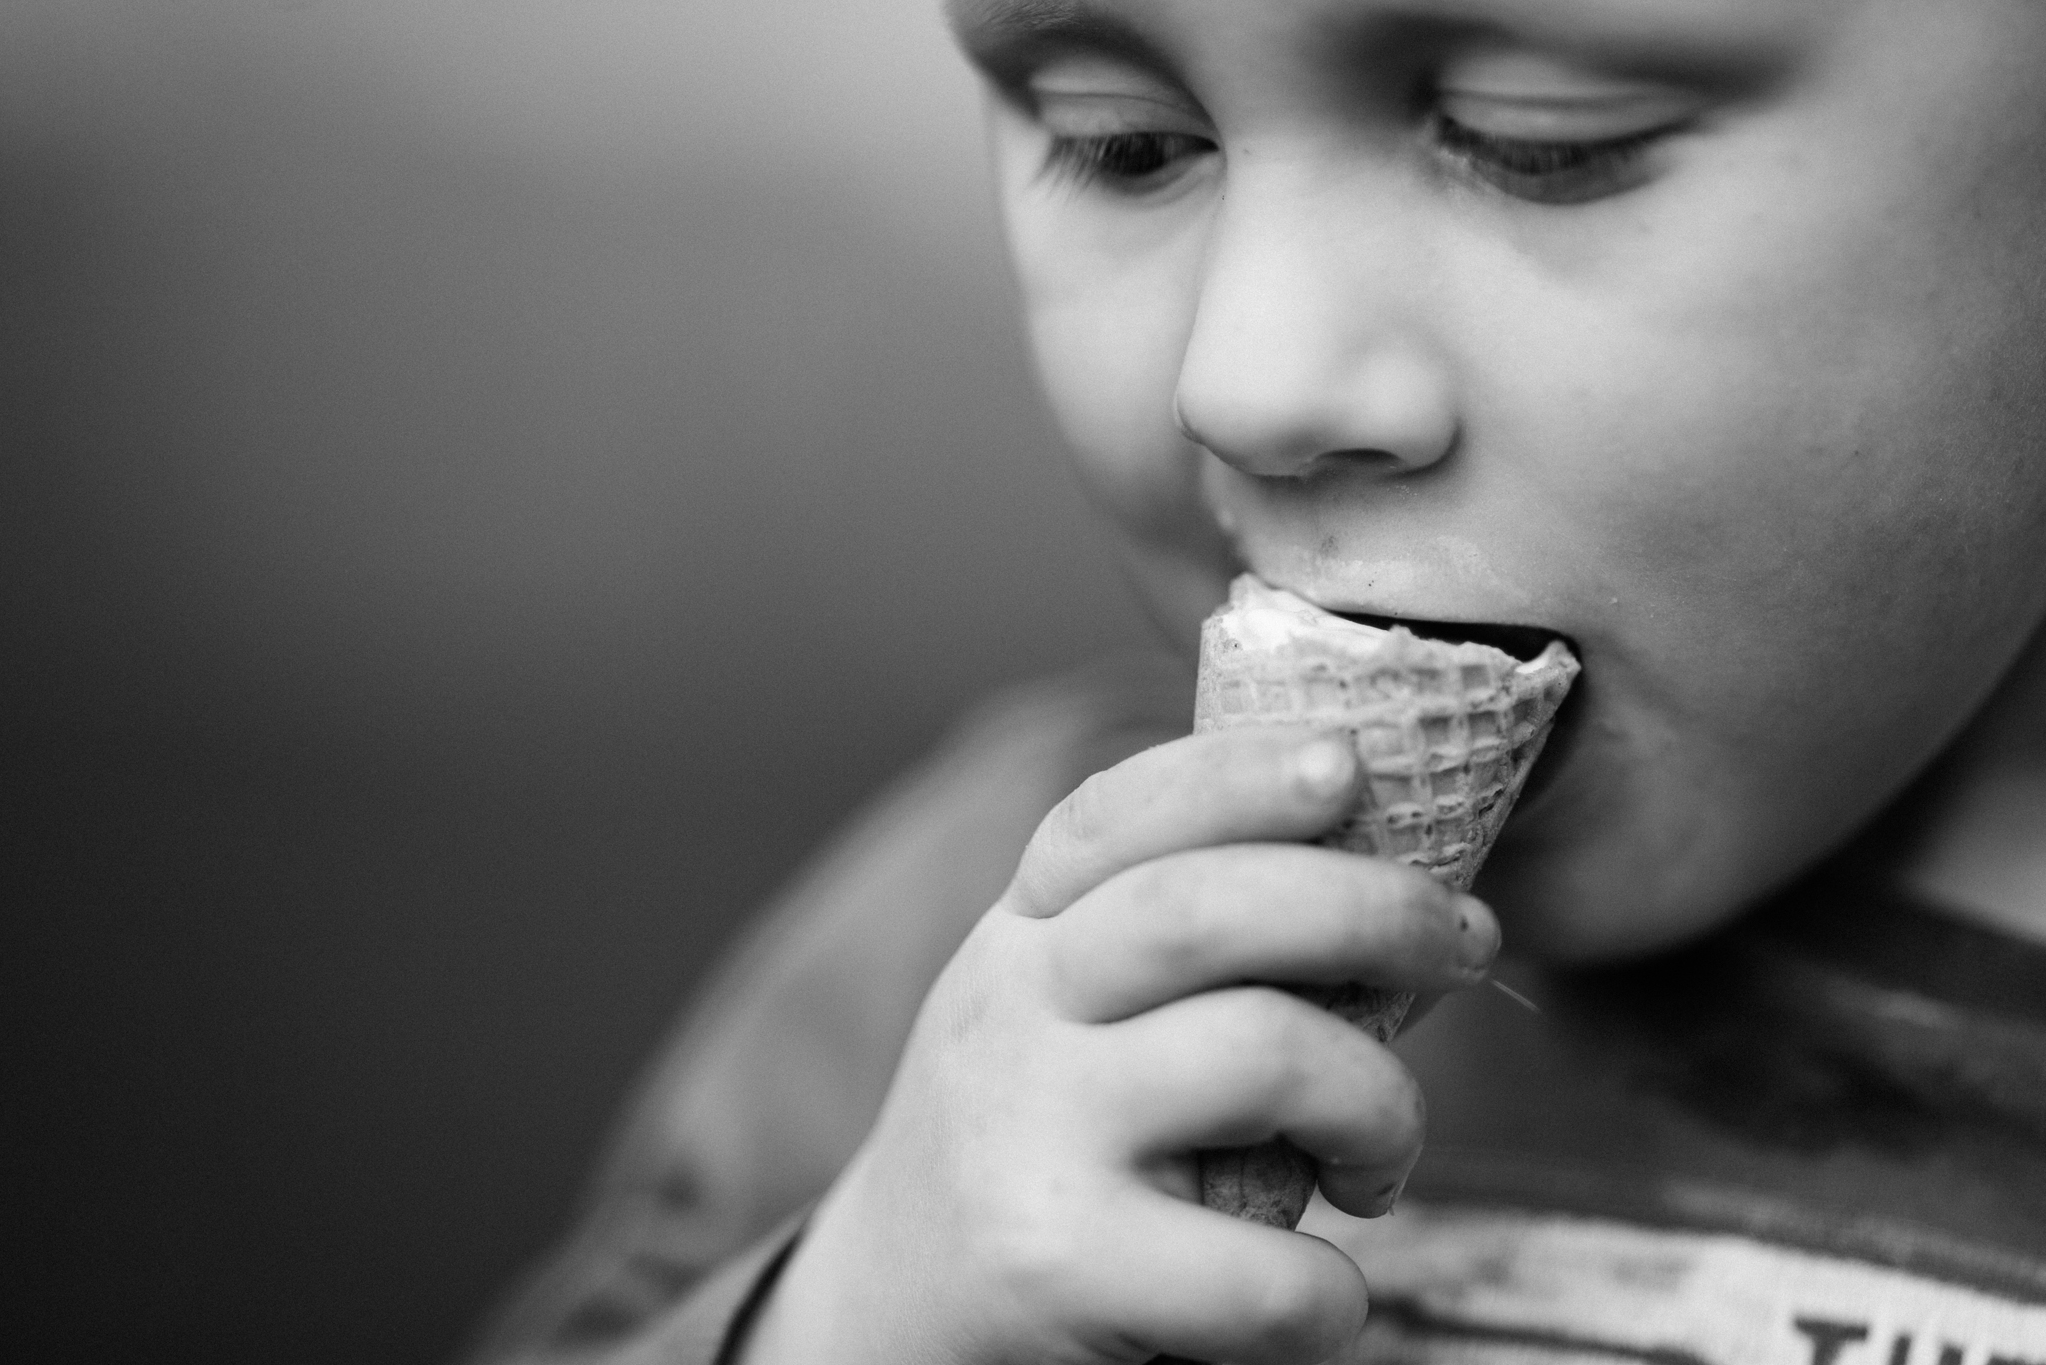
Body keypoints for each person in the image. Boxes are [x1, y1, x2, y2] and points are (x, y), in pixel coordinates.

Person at [466, 1, 2046, 1361]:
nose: (1246, 374)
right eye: (1124, 140)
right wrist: (854, 1320)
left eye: (1537, 135)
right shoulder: (998, 964)